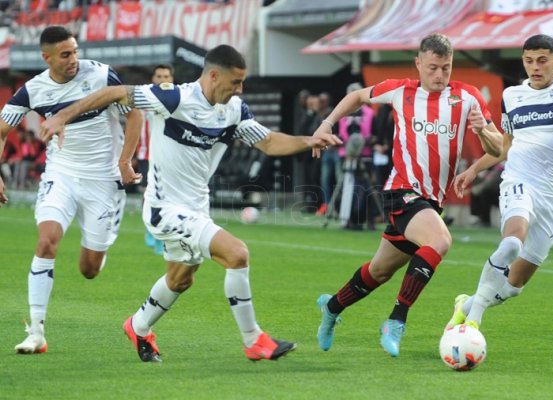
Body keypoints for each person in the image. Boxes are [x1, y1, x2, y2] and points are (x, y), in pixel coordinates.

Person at [40, 44, 341, 362]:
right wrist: (62, 115)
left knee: (180, 279)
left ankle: (138, 326)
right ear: (213, 75)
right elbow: (115, 92)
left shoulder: (234, 109)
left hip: (197, 207)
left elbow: (267, 141)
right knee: (237, 254)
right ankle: (254, 340)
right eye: (235, 82)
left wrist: (308, 140)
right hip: (164, 208)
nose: (239, 89)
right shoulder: (174, 98)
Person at [311, 33, 503, 357]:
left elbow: (499, 149)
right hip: (401, 191)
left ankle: (331, 308)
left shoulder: (468, 97)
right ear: (418, 64)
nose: (440, 75)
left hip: (430, 203)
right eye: (433, 68)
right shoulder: (402, 91)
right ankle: (396, 320)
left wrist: (479, 143)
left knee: (379, 271)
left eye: (446, 67)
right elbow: (357, 96)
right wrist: (326, 124)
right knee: (440, 241)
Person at [0, 26, 142, 354]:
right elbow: (3, 129)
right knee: (46, 241)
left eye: (75, 51)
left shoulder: (103, 75)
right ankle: (36, 333)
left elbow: (135, 112)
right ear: (46, 57)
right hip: (60, 175)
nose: (74, 59)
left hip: (104, 181)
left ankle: (99, 250)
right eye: (65, 54)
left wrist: (125, 160)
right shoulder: (32, 90)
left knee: (89, 269)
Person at [446, 34, 553, 332]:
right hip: (519, 180)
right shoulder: (512, 95)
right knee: (511, 243)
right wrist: (475, 169)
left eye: (542, 60)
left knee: (514, 286)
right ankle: (473, 323)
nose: (535, 67)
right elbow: (505, 146)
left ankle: (464, 306)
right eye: (529, 61)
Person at [138, 64, 175, 255]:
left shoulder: (178, 100)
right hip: (146, 154)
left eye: (166, 76)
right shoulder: (144, 97)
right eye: (159, 76)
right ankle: (150, 229)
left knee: (166, 195)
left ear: (171, 80)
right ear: (153, 78)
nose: (162, 80)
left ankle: (161, 232)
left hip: (168, 155)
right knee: (149, 193)